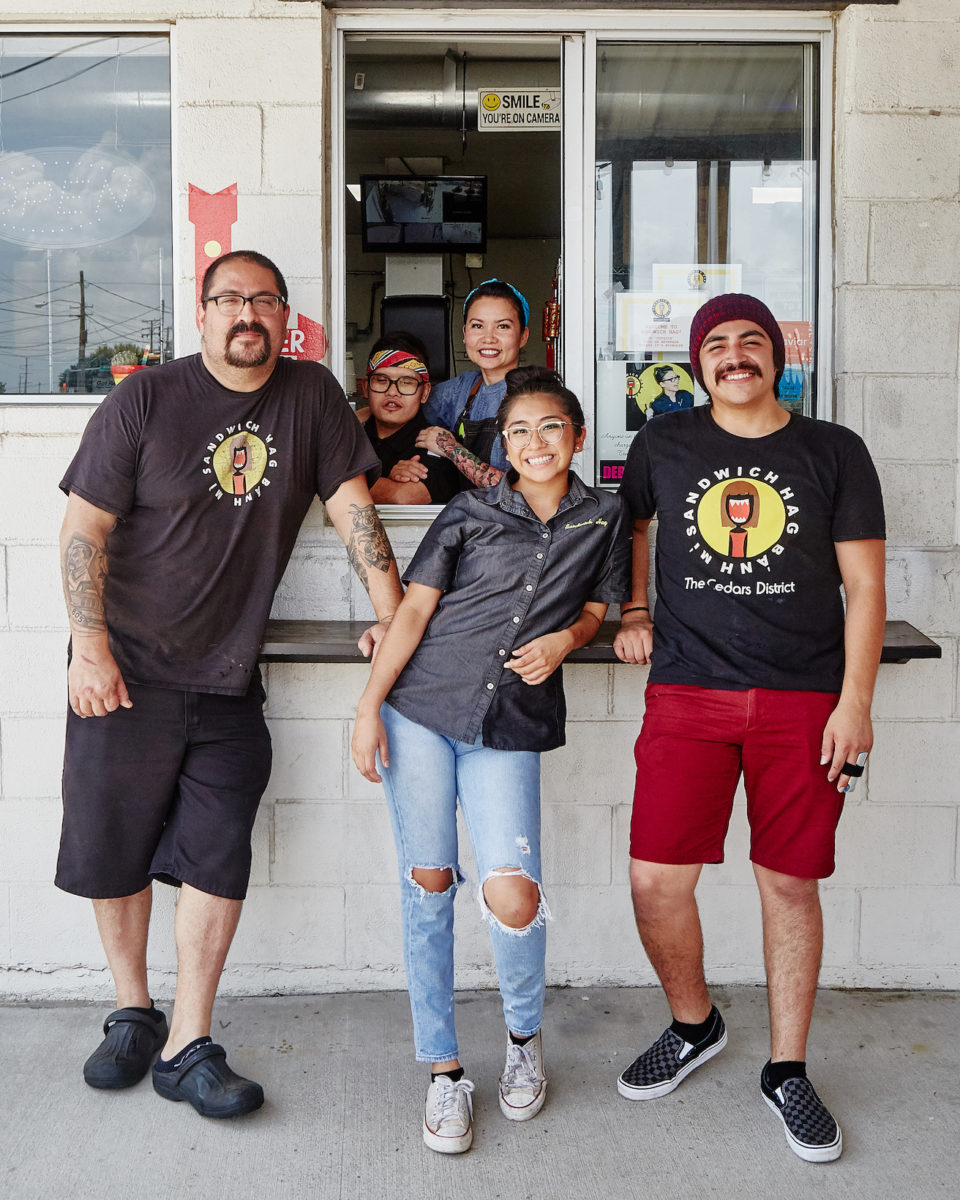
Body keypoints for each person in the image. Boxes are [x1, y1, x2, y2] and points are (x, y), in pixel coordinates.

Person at [57, 250, 404, 1119]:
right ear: (201, 312)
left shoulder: (310, 394)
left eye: (265, 300)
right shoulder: (143, 398)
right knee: (114, 849)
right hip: (124, 670)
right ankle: (132, 1011)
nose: (248, 314)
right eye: (229, 299)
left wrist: (395, 615)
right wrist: (88, 649)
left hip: (226, 679)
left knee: (217, 858)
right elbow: (81, 528)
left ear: (287, 316)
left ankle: (187, 1041)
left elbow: (353, 509)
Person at [613, 293, 886, 1164]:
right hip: (688, 692)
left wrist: (856, 702)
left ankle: (788, 1068)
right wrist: (634, 606)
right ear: (698, 365)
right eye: (718, 345)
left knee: (790, 885)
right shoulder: (663, 443)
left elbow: (867, 591)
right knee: (656, 880)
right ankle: (695, 1025)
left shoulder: (834, 451)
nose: (736, 356)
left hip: (805, 700)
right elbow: (635, 527)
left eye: (752, 342)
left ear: (779, 357)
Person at [352, 366, 631, 1154]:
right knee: (430, 882)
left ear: (577, 436)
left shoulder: (603, 515)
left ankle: (521, 1040)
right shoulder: (472, 509)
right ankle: (443, 1073)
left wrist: (568, 640)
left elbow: (598, 607)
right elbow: (413, 612)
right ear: (500, 445)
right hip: (422, 711)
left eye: (550, 428)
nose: (534, 443)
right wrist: (370, 707)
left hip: (509, 720)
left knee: (513, 895)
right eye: (518, 432)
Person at [390, 278, 530, 491]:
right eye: (478, 326)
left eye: (502, 326)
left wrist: (451, 448)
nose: (488, 338)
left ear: (523, 336)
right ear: (465, 334)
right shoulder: (460, 390)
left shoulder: (536, 397)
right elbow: (404, 404)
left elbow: (520, 492)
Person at [357, 333, 462, 505]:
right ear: (365, 388)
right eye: (381, 380)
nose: (392, 392)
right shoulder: (349, 437)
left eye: (406, 383)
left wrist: (338, 481)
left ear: (425, 392)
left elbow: (403, 496)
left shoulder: (438, 443)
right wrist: (387, 477)